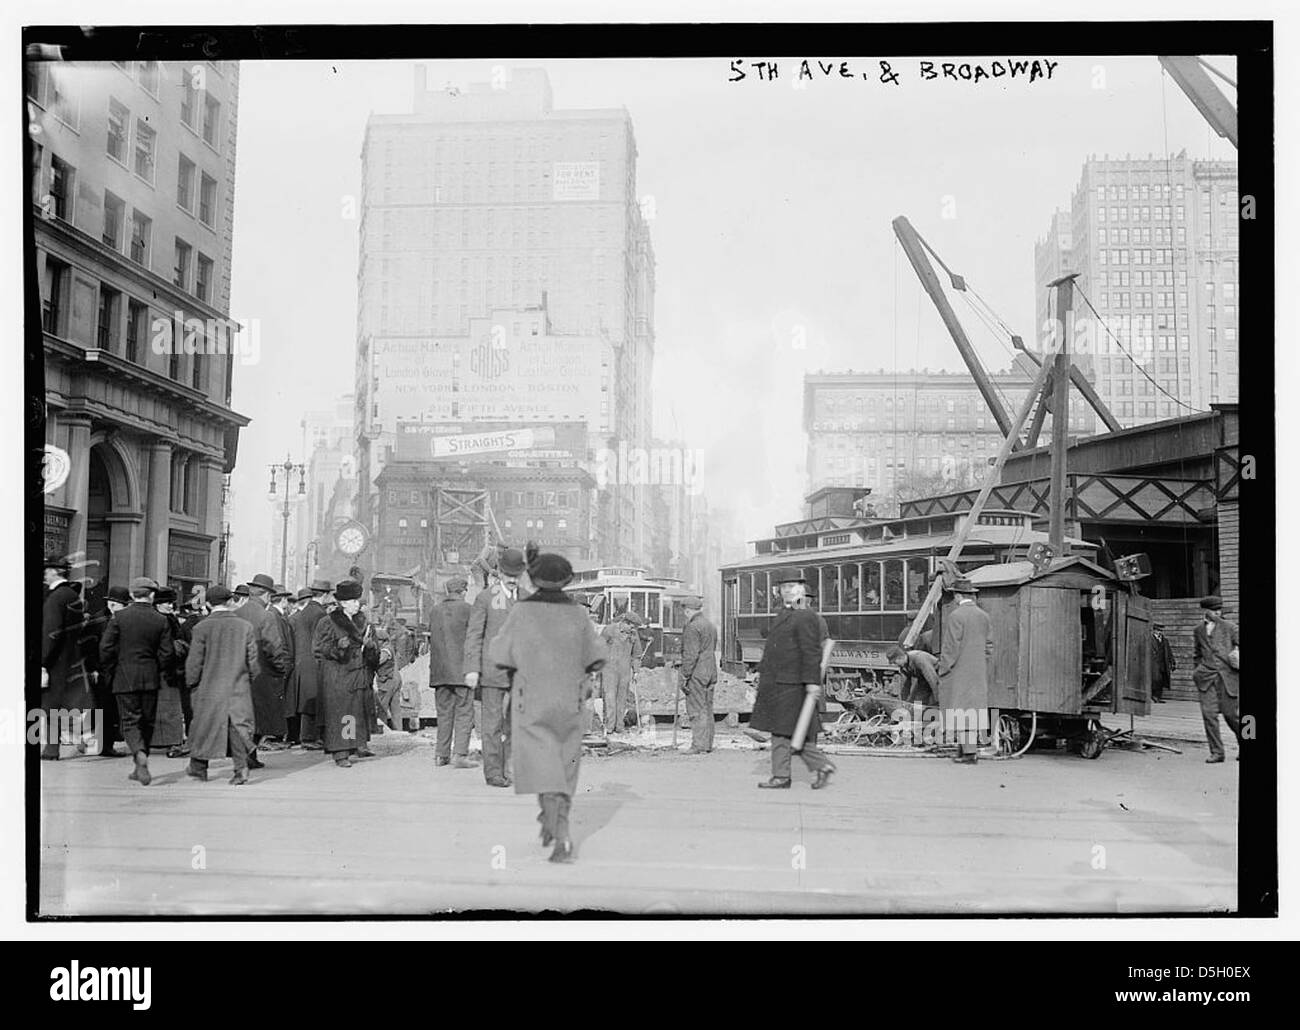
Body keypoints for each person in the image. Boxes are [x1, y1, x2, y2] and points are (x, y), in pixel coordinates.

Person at [489, 551, 606, 863]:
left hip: (532, 702)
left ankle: (557, 831)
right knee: (564, 767)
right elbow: (597, 656)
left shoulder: (521, 611)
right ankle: (557, 826)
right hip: (569, 701)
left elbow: (499, 653)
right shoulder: (579, 614)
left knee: (542, 767)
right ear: (567, 580)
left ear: (533, 578)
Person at [750, 571, 836, 789]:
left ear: (801, 589)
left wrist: (812, 682)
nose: (787, 590)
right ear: (779, 591)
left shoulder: (804, 615)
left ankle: (782, 776)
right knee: (795, 731)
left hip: (791, 683)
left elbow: (810, 652)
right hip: (781, 681)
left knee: (781, 731)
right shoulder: (786, 613)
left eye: (792, 586)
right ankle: (820, 766)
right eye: (784, 587)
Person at [99, 577, 174, 785]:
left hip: (124, 677)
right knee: (147, 721)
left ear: (132, 595)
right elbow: (167, 653)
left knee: (130, 720)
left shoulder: (119, 617)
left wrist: (110, 670)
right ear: (151, 595)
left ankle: (139, 754)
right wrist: (159, 668)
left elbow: (105, 648)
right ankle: (141, 758)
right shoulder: (161, 620)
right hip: (150, 677)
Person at [464, 547, 529, 787]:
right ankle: (493, 773)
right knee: (491, 725)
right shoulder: (486, 598)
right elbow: (474, 635)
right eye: (508, 574)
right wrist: (471, 668)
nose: (512, 580)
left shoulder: (527, 597)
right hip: (493, 671)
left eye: (516, 575)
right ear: (499, 573)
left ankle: (509, 769)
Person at [184, 585, 261, 784]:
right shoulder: (245, 626)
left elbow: (194, 662)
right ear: (230, 601)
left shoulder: (201, 627)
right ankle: (241, 768)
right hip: (238, 686)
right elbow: (253, 661)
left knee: (204, 725)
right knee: (237, 728)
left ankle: (199, 768)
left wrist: (192, 682)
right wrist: (248, 679)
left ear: (208, 604)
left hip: (209, 687)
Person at [313, 579, 378, 767]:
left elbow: (374, 652)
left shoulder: (363, 622)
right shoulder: (328, 622)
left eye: (358, 601)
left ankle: (356, 744)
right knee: (342, 713)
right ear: (343, 603)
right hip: (337, 676)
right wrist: (337, 647)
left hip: (358, 674)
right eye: (354, 601)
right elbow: (318, 649)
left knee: (355, 711)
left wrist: (371, 647)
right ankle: (341, 753)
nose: (358, 604)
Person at [234, 573, 291, 760]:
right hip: (263, 674)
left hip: (240, 675)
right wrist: (282, 668)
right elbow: (273, 647)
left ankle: (250, 756)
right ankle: (248, 755)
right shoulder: (266, 617)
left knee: (246, 717)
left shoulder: (236, 614)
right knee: (262, 718)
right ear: (266, 595)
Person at [936, 577, 992, 764]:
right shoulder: (984, 616)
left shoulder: (956, 616)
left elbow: (951, 647)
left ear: (958, 596)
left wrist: (943, 668)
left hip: (959, 671)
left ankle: (969, 754)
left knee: (961, 710)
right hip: (978, 671)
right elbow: (989, 645)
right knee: (973, 711)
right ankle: (965, 750)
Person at [40, 555, 90, 760]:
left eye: (46, 570)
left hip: (56, 661)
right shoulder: (72, 595)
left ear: (55, 572)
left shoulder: (55, 598)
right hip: (71, 657)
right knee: (68, 703)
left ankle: (51, 749)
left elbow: (51, 632)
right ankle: (82, 737)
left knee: (51, 705)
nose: (44, 573)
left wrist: (43, 660)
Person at [429, 576, 476, 767]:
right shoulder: (468, 609)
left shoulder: (435, 610)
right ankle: (460, 755)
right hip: (462, 672)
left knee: (444, 713)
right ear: (463, 591)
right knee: (464, 712)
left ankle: (441, 755)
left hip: (440, 672)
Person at [82, 584, 130, 758]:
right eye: (113, 602)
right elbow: (87, 646)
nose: (114, 606)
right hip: (101, 671)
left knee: (109, 709)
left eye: (119, 604)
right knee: (101, 708)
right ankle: (102, 744)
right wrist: (92, 668)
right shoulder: (98, 620)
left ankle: (105, 743)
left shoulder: (122, 620)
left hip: (116, 670)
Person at [1192, 595, 1241, 764]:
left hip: (1228, 678)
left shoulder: (1231, 627)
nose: (1217, 612)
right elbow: (1197, 654)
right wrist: (1198, 670)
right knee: (1209, 715)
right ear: (1205, 611)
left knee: (1231, 716)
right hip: (1206, 679)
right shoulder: (1198, 630)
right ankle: (1217, 753)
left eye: (1219, 609)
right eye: (1214, 610)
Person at [286, 580, 331, 749]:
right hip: (314, 663)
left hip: (300, 661)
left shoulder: (301, 614)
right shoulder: (320, 614)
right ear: (325, 595)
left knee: (305, 701)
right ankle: (310, 738)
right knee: (313, 701)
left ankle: (305, 736)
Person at [153, 587, 193, 758]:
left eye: (171, 603)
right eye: (166, 603)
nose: (170, 606)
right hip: (168, 668)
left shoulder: (167, 619)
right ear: (157, 604)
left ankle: (165, 741)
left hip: (166, 668)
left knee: (166, 707)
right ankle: (172, 742)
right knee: (169, 708)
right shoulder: (165, 620)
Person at [679, 596, 718, 753]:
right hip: (711, 670)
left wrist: (684, 675)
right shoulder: (710, 625)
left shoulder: (692, 627)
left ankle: (698, 745)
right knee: (708, 708)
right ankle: (707, 744)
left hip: (697, 672)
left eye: (685, 611)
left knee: (696, 708)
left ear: (687, 610)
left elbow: (691, 655)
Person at [268, 585, 298, 744]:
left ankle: (279, 735)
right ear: (283, 599)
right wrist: (285, 666)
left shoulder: (279, 615)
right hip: (283, 666)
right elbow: (278, 644)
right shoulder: (274, 616)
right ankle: (275, 736)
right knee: (279, 701)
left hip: (284, 665)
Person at [599, 613, 637, 737]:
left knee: (622, 698)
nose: (633, 630)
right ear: (625, 622)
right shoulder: (609, 630)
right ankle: (609, 726)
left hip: (625, 670)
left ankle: (619, 726)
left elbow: (637, 655)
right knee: (610, 697)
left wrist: (636, 671)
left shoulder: (633, 635)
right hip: (609, 669)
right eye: (631, 627)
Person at [1151, 621, 1176, 703]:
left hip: (1163, 663)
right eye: (1158, 630)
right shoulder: (1149, 639)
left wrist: (1172, 662)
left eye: (1161, 631)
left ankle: (1158, 697)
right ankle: (1153, 696)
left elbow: (1169, 652)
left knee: (1161, 680)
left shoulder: (1165, 641)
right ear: (1154, 630)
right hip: (1153, 664)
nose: (1159, 632)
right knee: (1155, 679)